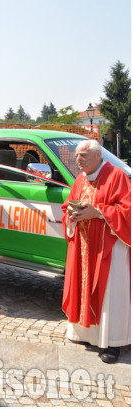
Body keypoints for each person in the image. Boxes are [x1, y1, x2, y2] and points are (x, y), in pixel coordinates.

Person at [61, 139, 131, 364]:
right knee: (83, 288)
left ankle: (113, 342)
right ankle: (87, 334)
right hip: (83, 246)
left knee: (110, 294)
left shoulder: (116, 175)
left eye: (83, 155)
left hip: (109, 249)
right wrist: (71, 215)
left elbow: (127, 210)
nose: (78, 160)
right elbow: (67, 205)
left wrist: (99, 212)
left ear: (98, 156)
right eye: (77, 156)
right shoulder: (81, 178)